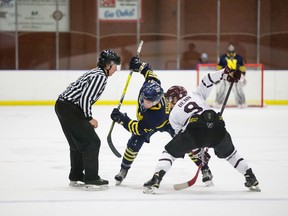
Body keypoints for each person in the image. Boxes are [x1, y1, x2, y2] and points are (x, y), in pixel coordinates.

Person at [143, 65, 261, 193]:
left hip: (194, 129)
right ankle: (250, 176)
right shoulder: (197, 94)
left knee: (169, 152)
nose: (170, 103)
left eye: (171, 99)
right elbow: (207, 79)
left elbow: (182, 137)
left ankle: (156, 179)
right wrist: (225, 73)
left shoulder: (173, 115)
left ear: (176, 97)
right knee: (231, 154)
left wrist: (198, 152)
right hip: (216, 124)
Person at [110, 57, 214, 187]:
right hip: (150, 122)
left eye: (150, 102)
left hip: (168, 122)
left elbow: (137, 128)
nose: (145, 103)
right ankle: (124, 169)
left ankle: (204, 169)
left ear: (157, 100)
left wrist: (122, 119)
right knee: (133, 144)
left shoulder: (154, 116)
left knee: (186, 143)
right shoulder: (151, 84)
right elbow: (148, 71)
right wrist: (138, 65)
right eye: (144, 99)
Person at [55, 49, 121, 190]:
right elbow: (85, 98)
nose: (116, 70)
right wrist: (89, 118)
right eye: (116, 66)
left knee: (77, 143)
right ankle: (91, 178)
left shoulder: (95, 72)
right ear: (108, 65)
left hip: (63, 106)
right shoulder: (100, 77)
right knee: (92, 142)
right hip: (70, 108)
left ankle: (76, 175)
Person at [215, 43, 247, 108]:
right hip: (225, 77)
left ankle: (242, 103)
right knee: (222, 90)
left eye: (232, 48)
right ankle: (218, 103)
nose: (231, 49)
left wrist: (243, 77)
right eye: (230, 48)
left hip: (236, 77)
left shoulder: (239, 58)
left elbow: (242, 68)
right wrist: (217, 77)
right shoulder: (223, 57)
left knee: (238, 90)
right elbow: (219, 68)